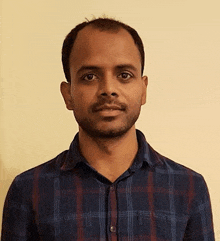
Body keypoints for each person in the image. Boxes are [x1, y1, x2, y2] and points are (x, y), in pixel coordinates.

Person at [1, 17, 215, 240]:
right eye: (90, 76)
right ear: (68, 94)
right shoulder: (29, 190)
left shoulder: (188, 187)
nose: (108, 89)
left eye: (124, 75)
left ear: (143, 90)